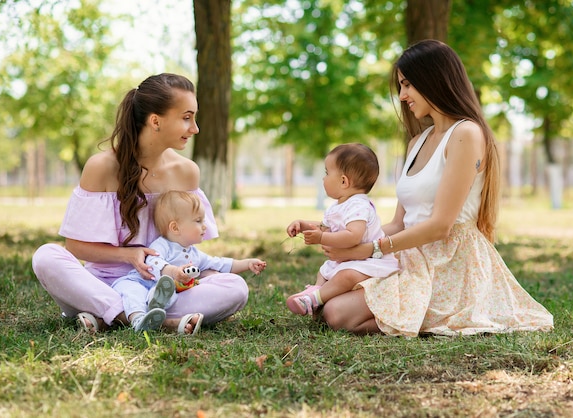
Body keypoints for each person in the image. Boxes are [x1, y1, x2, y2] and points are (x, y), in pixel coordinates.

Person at [319, 40, 554, 336]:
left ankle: (431, 318)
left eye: (407, 85)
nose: (402, 96)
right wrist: (348, 243)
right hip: (409, 253)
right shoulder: (417, 142)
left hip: (449, 260)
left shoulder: (465, 134)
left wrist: (371, 249)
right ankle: (409, 317)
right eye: (400, 87)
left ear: (432, 80)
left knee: (336, 312)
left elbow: (441, 226)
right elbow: (398, 223)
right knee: (325, 301)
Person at [32, 73, 249, 335]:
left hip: (162, 289)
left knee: (235, 287)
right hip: (100, 285)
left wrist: (201, 274)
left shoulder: (186, 172)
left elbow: (185, 248)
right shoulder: (101, 167)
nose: (195, 128)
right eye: (186, 117)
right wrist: (129, 255)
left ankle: (110, 317)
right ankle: (146, 319)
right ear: (155, 120)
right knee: (46, 256)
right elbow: (75, 247)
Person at [112, 190, 267, 334]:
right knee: (132, 292)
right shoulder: (162, 245)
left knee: (170, 292)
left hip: (164, 292)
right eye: (198, 221)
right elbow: (153, 261)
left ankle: (156, 305)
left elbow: (220, 263)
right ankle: (139, 320)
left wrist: (247, 263)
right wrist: (173, 272)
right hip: (138, 282)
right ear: (175, 228)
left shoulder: (194, 254)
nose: (204, 226)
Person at [285, 143, 399, 316]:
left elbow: (353, 236)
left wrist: (321, 238)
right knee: (323, 271)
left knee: (346, 276)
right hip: (348, 260)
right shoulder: (339, 205)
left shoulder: (358, 205)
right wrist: (303, 225)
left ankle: (315, 298)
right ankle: (315, 293)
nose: (323, 179)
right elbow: (325, 227)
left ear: (344, 181)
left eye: (326, 173)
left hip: (367, 262)